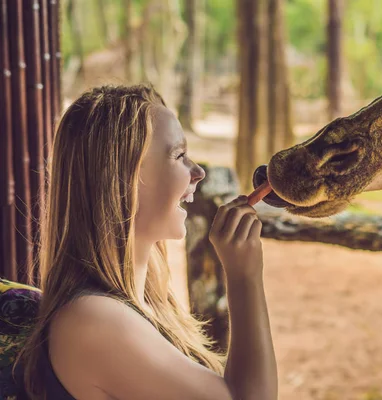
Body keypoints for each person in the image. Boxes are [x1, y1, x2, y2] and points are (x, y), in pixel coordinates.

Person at [16, 85, 277, 400]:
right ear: (124, 180)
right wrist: (244, 275)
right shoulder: (94, 321)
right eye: (179, 155)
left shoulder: (138, 301)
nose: (198, 172)